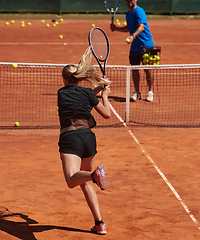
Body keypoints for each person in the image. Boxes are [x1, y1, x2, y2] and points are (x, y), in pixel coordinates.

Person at [57, 46, 112, 235]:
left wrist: (98, 91)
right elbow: (106, 114)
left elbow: (79, 95)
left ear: (65, 79)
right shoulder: (88, 93)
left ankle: (94, 175)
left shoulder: (61, 93)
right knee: (85, 182)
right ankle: (99, 224)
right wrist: (104, 95)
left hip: (71, 139)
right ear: (79, 78)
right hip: (89, 138)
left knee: (72, 180)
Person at [111, 0, 155, 102]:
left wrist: (133, 36)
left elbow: (141, 27)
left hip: (146, 45)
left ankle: (150, 92)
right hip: (135, 46)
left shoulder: (139, 11)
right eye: (127, 0)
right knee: (134, 70)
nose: (129, 1)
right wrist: (117, 28)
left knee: (147, 69)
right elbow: (129, 27)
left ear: (135, 0)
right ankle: (137, 92)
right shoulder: (128, 13)